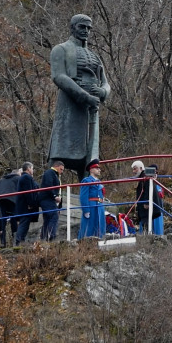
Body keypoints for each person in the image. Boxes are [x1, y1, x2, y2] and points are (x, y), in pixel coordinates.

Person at [49, 14, 111, 180]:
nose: (86, 31)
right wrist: (84, 96)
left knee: (89, 157)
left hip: (91, 109)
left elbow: (106, 83)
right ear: (73, 27)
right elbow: (59, 76)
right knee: (61, 152)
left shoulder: (95, 56)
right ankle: (51, 186)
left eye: (89, 28)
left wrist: (102, 92)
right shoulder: (61, 49)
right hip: (70, 106)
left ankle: (88, 186)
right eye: (82, 27)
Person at [132, 161, 162, 234]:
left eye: (135, 169)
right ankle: (148, 236)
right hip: (144, 207)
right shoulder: (143, 177)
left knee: (146, 224)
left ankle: (147, 237)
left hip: (145, 207)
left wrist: (146, 202)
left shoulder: (145, 176)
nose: (133, 171)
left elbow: (148, 187)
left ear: (141, 168)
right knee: (146, 224)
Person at [78, 159, 105, 239]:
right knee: (89, 226)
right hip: (91, 206)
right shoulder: (87, 181)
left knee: (99, 226)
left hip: (99, 206)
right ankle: (84, 242)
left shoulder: (99, 182)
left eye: (99, 168)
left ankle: (100, 240)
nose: (99, 170)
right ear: (91, 170)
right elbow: (83, 196)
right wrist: (86, 210)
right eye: (97, 168)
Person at [14, 162, 39, 246]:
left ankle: (20, 241)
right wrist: (31, 203)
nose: (33, 170)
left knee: (25, 224)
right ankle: (19, 242)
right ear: (28, 168)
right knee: (24, 224)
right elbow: (28, 192)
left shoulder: (24, 177)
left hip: (24, 205)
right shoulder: (26, 177)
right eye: (32, 168)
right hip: (25, 206)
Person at [0, 168, 21, 248]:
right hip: (12, 200)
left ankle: (3, 242)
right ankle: (15, 241)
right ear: (17, 173)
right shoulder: (18, 178)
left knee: (2, 221)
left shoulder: (1, 180)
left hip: (1, 200)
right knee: (14, 219)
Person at [39, 161, 64, 241]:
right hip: (47, 199)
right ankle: (51, 237)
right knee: (54, 216)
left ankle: (44, 238)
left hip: (49, 199)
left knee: (47, 218)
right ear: (56, 166)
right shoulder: (50, 173)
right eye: (61, 169)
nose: (61, 172)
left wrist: (59, 204)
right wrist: (54, 196)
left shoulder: (54, 175)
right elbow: (48, 185)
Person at [148, 164, 165, 236]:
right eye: (153, 172)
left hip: (159, 212)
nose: (155, 174)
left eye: (156, 172)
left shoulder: (159, 186)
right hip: (150, 212)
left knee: (159, 233)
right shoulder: (146, 185)